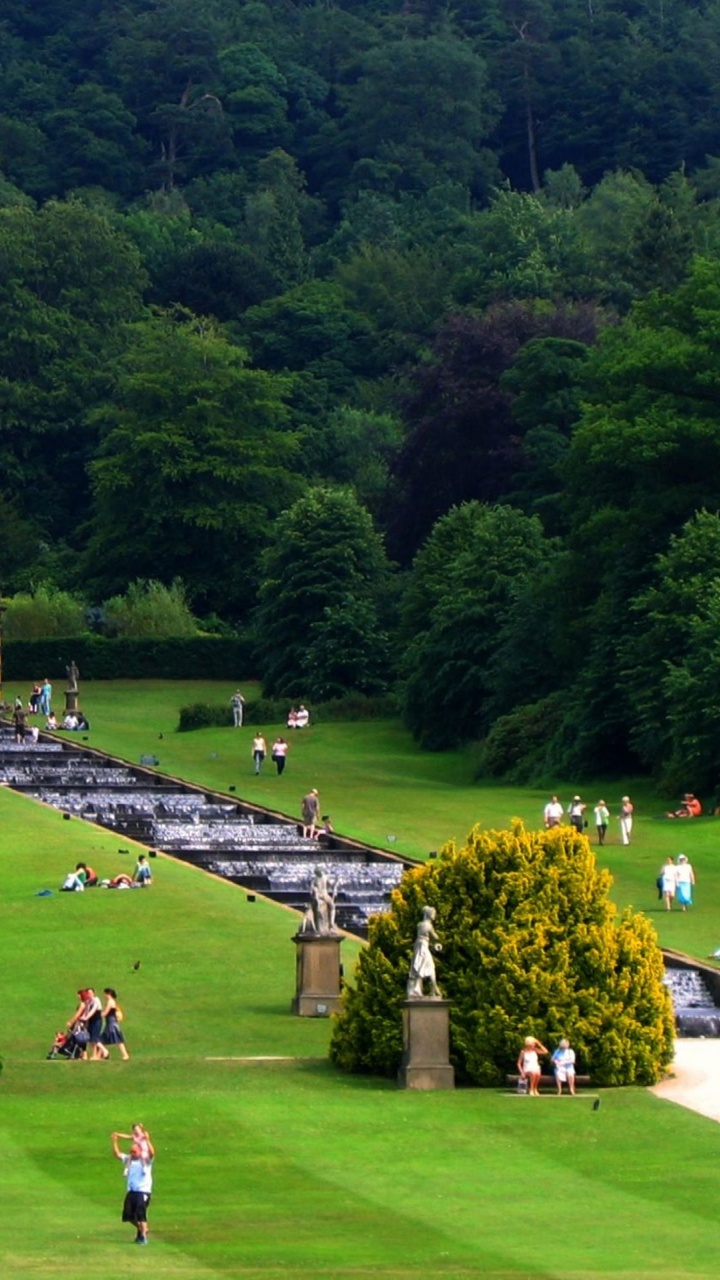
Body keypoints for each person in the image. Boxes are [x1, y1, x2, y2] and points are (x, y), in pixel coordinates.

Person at [111, 1131, 154, 1245]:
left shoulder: (145, 1162)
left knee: (141, 1214)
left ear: (140, 1151)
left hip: (142, 1192)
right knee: (128, 1215)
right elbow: (117, 1154)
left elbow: (152, 1153)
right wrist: (115, 1141)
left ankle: (143, 1236)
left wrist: (148, 1140)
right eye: (131, 1151)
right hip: (132, 1191)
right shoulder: (129, 1160)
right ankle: (142, 1229)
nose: (132, 1153)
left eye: (134, 1151)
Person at [406, 906, 442, 999]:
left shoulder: (419, 925)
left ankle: (431, 989)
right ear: (429, 914)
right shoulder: (428, 925)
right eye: (433, 914)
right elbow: (435, 936)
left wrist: (433, 944)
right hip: (422, 947)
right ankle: (430, 989)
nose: (434, 916)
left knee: (423, 966)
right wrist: (436, 941)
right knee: (427, 966)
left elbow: (426, 938)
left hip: (420, 946)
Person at [101, 988, 130, 1060]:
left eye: (105, 994)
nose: (104, 995)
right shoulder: (111, 1001)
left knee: (117, 1040)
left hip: (112, 1023)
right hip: (110, 1023)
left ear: (108, 994)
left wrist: (97, 1015)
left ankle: (125, 1055)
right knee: (103, 1039)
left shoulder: (110, 1002)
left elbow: (105, 1012)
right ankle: (101, 1055)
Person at [310, 866, 338, 934]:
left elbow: (331, 885)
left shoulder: (320, 878)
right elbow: (311, 891)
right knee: (332, 906)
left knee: (332, 906)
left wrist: (335, 884)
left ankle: (331, 923)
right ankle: (331, 923)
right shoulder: (316, 879)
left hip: (323, 895)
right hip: (322, 895)